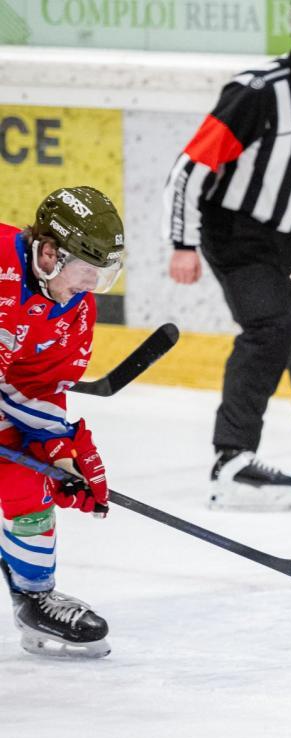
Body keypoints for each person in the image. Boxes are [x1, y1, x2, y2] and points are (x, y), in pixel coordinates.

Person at [162, 0, 291, 511]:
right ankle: (231, 459)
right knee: (272, 330)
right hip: (238, 231)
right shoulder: (258, 91)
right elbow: (189, 169)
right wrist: (183, 243)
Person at [0, 187, 125, 658]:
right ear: (50, 253)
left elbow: (35, 388)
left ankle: (34, 597)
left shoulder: (74, 311)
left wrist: (60, 454)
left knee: (27, 478)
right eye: (87, 269)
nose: (92, 285)